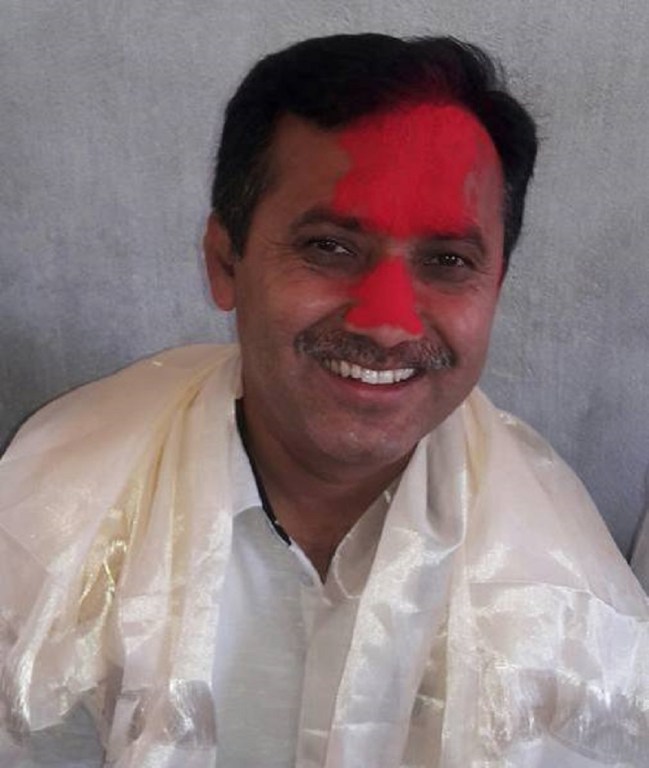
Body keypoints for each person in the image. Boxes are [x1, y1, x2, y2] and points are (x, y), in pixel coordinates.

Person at [0, 33, 647, 768]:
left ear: (494, 286)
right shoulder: (43, 526)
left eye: (447, 261)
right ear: (225, 263)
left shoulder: (573, 611)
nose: (387, 322)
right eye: (329, 247)